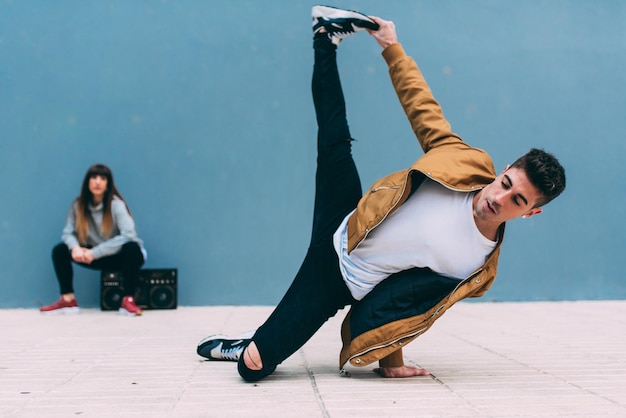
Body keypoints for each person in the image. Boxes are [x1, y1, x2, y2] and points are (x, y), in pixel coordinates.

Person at [197, 5, 566, 381]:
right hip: (350, 218)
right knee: (334, 139)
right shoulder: (467, 163)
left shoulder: (478, 267)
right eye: (506, 185)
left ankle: (251, 343)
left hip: (340, 278)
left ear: (530, 213)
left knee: (254, 368)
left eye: (517, 201)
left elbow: (408, 300)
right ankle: (324, 36)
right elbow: (423, 109)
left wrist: (391, 360)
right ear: (503, 171)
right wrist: (391, 47)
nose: (499, 199)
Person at [40, 163, 147, 316]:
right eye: (94, 177)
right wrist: (75, 248)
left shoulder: (116, 205)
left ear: (108, 183)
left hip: (120, 257)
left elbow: (129, 235)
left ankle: (128, 300)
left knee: (132, 248)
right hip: (92, 256)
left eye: (102, 178)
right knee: (60, 250)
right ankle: (68, 300)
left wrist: (95, 253)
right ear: (87, 182)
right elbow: (67, 233)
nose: (97, 182)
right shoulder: (78, 205)